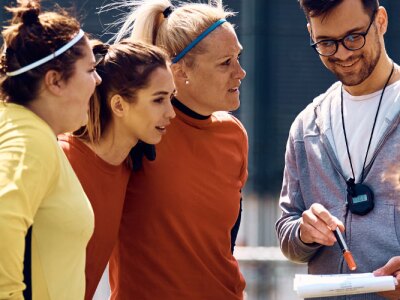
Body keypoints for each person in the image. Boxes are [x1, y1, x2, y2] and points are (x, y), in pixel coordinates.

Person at [108, 0, 248, 299]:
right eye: (226, 63)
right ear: (180, 70)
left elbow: (224, 245)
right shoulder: (139, 130)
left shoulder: (234, 135)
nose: (241, 72)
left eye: (239, 57)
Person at [276, 0, 400, 299]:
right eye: (326, 42)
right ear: (310, 33)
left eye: (354, 37)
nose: (343, 53)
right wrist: (304, 232)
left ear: (380, 20)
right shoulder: (307, 126)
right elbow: (287, 233)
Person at [58, 39, 175, 300]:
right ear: (119, 105)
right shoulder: (62, 160)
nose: (171, 113)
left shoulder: (129, 167)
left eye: (171, 98)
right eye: (159, 100)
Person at [0, 0, 101, 299]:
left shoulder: (24, 127)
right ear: (55, 81)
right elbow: (3, 214)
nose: (97, 80)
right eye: (90, 69)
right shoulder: (29, 137)